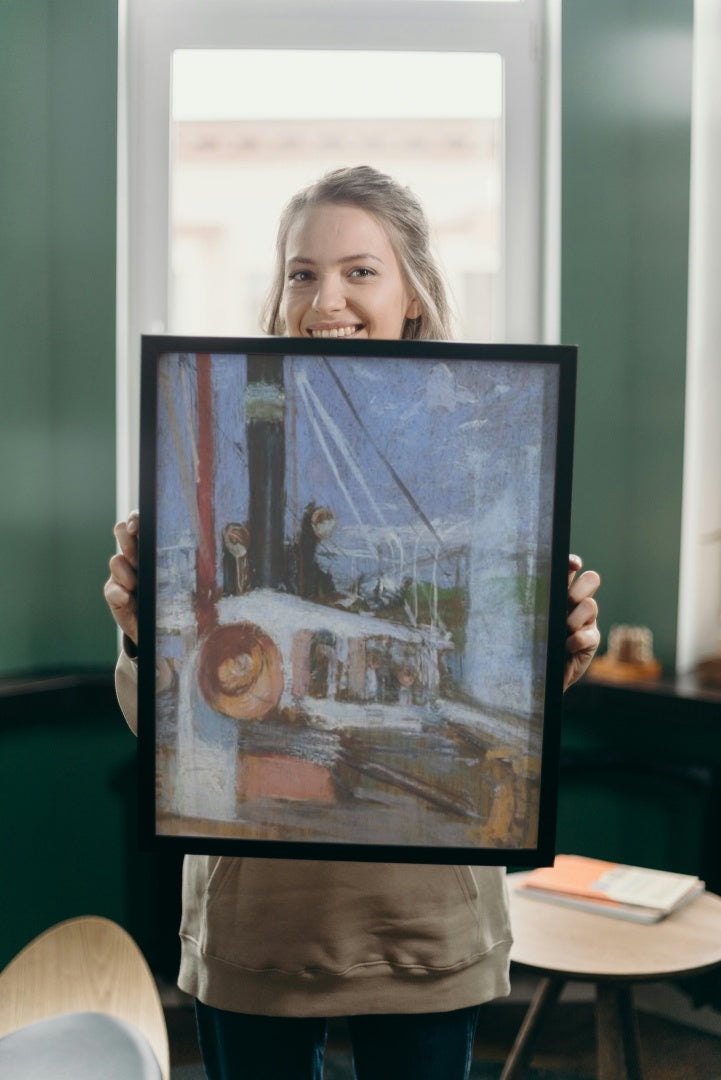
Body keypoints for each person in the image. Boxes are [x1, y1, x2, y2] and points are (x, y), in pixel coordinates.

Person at [105, 166, 601, 1080]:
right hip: (256, 927)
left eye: (359, 271)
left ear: (412, 292)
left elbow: (524, 714)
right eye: (301, 272)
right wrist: (144, 637)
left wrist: (557, 653)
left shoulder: (493, 437)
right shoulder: (202, 438)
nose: (324, 297)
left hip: (423, 926)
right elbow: (166, 729)